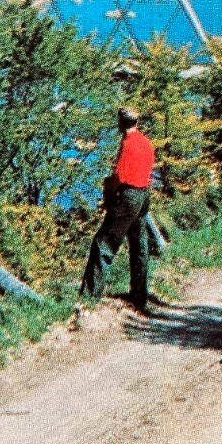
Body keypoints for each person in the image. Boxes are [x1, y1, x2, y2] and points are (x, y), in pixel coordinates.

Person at [80, 106, 156, 311]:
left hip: (129, 197)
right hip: (143, 194)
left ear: (121, 122)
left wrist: (108, 190)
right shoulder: (145, 142)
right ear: (137, 122)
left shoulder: (128, 143)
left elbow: (119, 176)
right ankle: (139, 296)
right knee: (139, 244)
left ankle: (89, 298)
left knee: (104, 244)